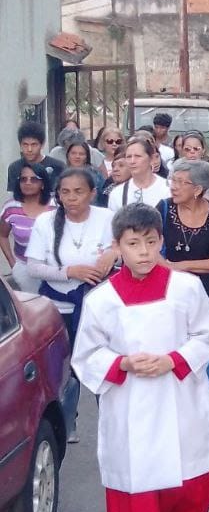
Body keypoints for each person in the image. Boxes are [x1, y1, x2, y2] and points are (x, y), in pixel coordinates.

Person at [71, 203, 209, 512]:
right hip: (130, 403)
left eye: (150, 242)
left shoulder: (185, 288)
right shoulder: (102, 300)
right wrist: (121, 362)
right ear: (117, 247)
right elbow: (85, 354)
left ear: (161, 242)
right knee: (136, 482)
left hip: (177, 397)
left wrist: (172, 360)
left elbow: (207, 336)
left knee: (185, 477)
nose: (142, 251)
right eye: (133, 243)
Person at [25, 167, 117, 441]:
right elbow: (33, 267)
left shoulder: (107, 218)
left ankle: (112, 423)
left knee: (103, 363)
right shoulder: (46, 221)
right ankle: (66, 423)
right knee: (64, 369)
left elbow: (123, 252)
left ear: (92, 193)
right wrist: (70, 272)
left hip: (97, 306)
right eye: (65, 192)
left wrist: (114, 252)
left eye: (78, 191)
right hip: (59, 307)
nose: (71, 198)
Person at [160, 159, 209, 390]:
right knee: (170, 354)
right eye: (173, 180)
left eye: (182, 182)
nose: (174, 186)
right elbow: (149, 246)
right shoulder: (163, 208)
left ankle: (202, 413)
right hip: (169, 296)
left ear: (198, 189)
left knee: (206, 357)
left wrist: (180, 266)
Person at [0, 161, 55, 292]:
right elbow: (2, 235)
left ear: (43, 184)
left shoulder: (56, 206)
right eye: (23, 179)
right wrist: (14, 265)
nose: (28, 183)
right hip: (25, 269)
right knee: (34, 308)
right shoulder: (11, 208)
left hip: (54, 267)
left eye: (34, 179)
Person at [109, 137, 170, 211]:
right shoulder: (117, 193)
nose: (132, 161)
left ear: (151, 159)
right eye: (129, 157)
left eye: (137, 156)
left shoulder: (168, 188)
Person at [172, 131, 209, 204]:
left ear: (203, 150)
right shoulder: (177, 165)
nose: (192, 151)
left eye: (196, 148)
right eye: (187, 149)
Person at [7, 122, 62, 193]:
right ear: (20, 145)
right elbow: (13, 196)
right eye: (25, 145)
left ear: (42, 144)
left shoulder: (57, 166)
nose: (29, 149)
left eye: (34, 144)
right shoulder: (14, 168)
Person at [65, 138, 108, 205]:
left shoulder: (95, 174)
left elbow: (103, 196)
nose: (77, 156)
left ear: (86, 157)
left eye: (81, 154)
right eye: (73, 153)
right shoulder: (62, 175)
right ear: (68, 155)